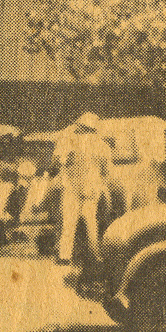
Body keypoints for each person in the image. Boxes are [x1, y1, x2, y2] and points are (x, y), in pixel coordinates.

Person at [58, 112, 111, 264]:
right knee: (87, 224)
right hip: (84, 189)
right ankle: (92, 255)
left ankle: (67, 256)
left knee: (73, 223)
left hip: (78, 189)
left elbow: (63, 165)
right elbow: (106, 172)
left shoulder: (73, 144)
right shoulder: (101, 146)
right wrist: (100, 186)